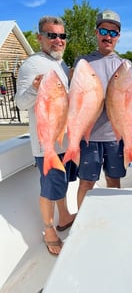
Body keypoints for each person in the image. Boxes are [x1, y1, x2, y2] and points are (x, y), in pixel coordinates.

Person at [15, 16, 76, 255]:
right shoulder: (31, 65)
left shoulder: (61, 64)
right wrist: (34, 89)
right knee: (49, 186)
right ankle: (49, 230)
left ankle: (65, 215)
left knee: (61, 182)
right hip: (46, 144)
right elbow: (20, 103)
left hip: (63, 140)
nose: (58, 40)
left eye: (62, 36)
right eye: (52, 35)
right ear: (40, 37)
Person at [74, 9, 129, 208]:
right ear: (96, 33)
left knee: (114, 182)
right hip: (88, 137)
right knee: (86, 183)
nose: (108, 36)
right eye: (104, 31)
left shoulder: (126, 65)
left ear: (119, 37)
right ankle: (81, 224)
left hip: (116, 137)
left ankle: (113, 222)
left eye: (113, 33)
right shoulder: (82, 63)